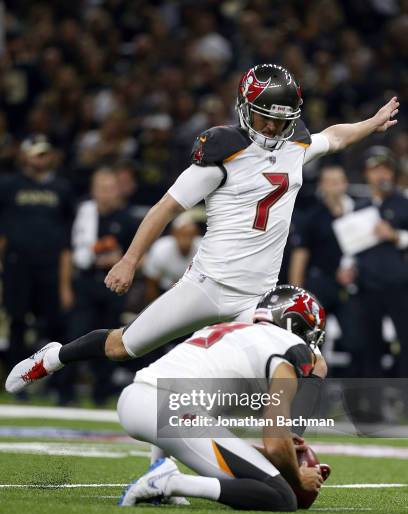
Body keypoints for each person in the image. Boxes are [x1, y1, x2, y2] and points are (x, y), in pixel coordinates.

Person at [5, 63, 399, 394]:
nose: (273, 128)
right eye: (265, 116)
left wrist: (372, 123)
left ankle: (285, 449)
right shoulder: (222, 153)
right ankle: (54, 356)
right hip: (207, 285)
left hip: (258, 298)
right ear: (245, 108)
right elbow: (163, 209)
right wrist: (129, 260)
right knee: (123, 346)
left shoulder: (295, 147)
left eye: (281, 120)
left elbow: (335, 136)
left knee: (310, 364)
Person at [118, 285, 327, 511]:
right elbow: (276, 442)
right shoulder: (290, 348)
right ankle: (170, 482)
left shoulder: (230, 330)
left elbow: (213, 432)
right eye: (310, 334)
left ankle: (159, 468)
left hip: (134, 400)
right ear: (295, 324)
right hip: (170, 412)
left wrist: (266, 455)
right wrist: (297, 477)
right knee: (281, 496)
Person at [0, 135, 74, 374]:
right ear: (25, 156)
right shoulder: (9, 186)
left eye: (45, 153)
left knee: (55, 323)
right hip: (16, 264)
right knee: (17, 321)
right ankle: (15, 378)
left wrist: (65, 282)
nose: (41, 158)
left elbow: (67, 236)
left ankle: (56, 381)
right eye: (36, 153)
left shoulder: (62, 188)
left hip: (51, 265)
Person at [65, 167, 139, 403]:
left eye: (110, 188)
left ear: (117, 190)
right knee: (76, 334)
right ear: (93, 191)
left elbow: (140, 256)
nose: (106, 193)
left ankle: (102, 392)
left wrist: (120, 259)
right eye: (101, 188)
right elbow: (67, 251)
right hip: (86, 281)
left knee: (110, 337)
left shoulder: (126, 218)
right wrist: (65, 286)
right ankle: (66, 391)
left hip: (113, 285)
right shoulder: (82, 214)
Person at [288, 166, 364, 375]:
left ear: (346, 183)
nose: (334, 186)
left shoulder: (358, 211)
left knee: (356, 340)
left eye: (338, 180)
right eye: (329, 181)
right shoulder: (312, 217)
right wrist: (297, 293)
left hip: (352, 285)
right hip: (320, 284)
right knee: (315, 342)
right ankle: (315, 395)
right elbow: (300, 255)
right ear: (321, 186)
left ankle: (354, 396)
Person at [346, 147, 408, 378]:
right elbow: (351, 247)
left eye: (385, 169)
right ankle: (373, 404)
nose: (381, 175)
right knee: (369, 345)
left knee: (405, 341)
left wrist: (395, 236)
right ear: (366, 174)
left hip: (399, 286)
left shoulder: (404, 202)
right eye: (374, 170)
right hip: (367, 286)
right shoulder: (359, 206)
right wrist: (347, 269)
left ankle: (403, 400)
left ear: (393, 173)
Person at [143, 213, 201, 303]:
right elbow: (151, 283)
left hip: (196, 291)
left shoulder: (204, 249)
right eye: (182, 234)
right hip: (165, 290)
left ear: (195, 234)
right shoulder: (160, 249)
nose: (186, 239)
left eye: (190, 234)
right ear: (173, 234)